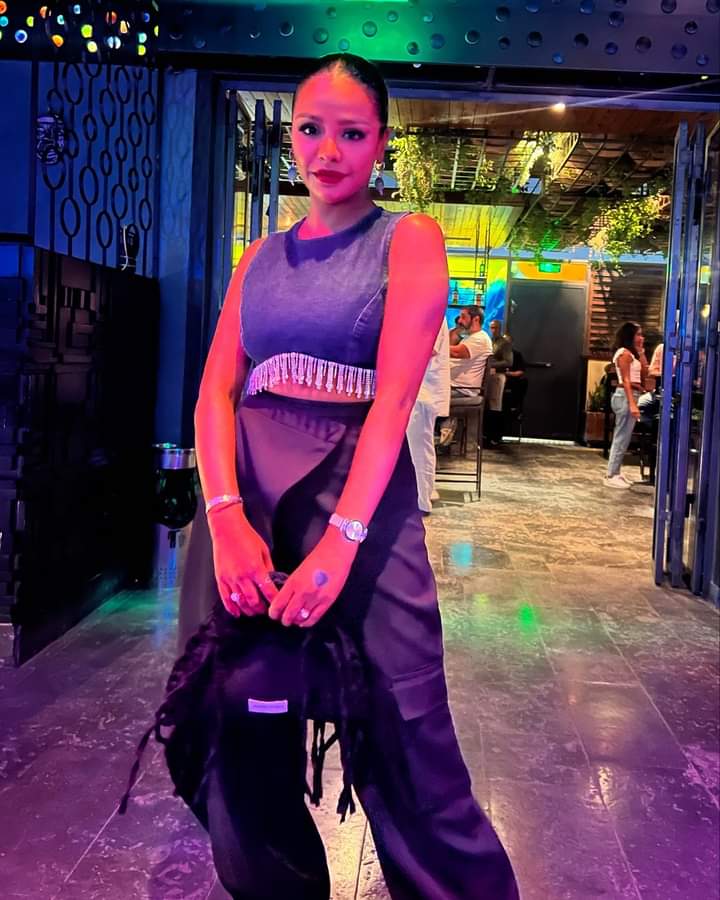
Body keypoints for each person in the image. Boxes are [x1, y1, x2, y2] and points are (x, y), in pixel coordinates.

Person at [158, 54, 519, 900]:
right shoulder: (258, 256)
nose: (327, 151)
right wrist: (224, 518)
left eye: (350, 134)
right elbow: (214, 393)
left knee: (406, 722)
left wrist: (343, 540)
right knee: (235, 718)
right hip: (243, 493)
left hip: (358, 490)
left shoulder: (409, 238)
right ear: (292, 134)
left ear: (381, 141)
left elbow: (394, 400)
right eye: (311, 129)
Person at [407, 321, 450, 513]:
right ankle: (423, 495)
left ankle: (422, 501)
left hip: (423, 391)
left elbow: (426, 349)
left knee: (419, 447)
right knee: (417, 446)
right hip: (418, 389)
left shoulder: (433, 312)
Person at [439, 305, 493, 446]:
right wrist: (456, 331)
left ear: (476, 319)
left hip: (462, 390)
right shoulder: (469, 337)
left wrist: (433, 346)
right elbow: (451, 346)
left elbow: (456, 352)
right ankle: (442, 435)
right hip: (453, 386)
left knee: (422, 398)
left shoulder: (480, 338)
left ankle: (440, 436)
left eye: (463, 317)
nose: (459, 320)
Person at [604, 321, 648, 489]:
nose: (641, 337)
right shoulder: (623, 353)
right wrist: (632, 404)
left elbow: (644, 372)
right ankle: (611, 474)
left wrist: (641, 352)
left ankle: (616, 471)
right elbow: (626, 380)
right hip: (625, 396)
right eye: (638, 334)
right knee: (621, 437)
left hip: (632, 394)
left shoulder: (633, 354)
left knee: (625, 436)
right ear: (630, 336)